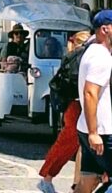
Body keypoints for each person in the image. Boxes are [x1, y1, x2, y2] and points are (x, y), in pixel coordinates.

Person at [37, 29, 91, 193]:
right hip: (78, 105)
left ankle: (75, 182)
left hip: (75, 105)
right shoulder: (79, 58)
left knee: (77, 145)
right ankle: (49, 178)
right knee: (70, 143)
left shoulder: (72, 57)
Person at [75, 11, 112, 193]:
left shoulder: (92, 51)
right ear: (105, 29)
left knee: (88, 181)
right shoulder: (101, 57)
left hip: (86, 127)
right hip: (102, 132)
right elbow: (90, 92)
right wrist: (93, 133)